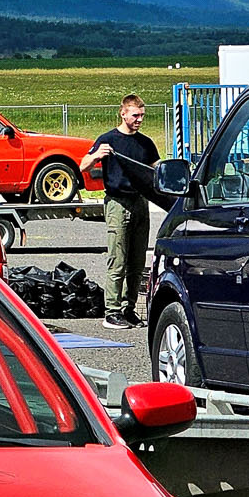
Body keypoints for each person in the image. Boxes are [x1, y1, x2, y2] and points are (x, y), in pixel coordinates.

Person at [85, 95, 163, 329]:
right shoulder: (107, 140)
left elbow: (156, 171)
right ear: (123, 113)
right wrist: (96, 156)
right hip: (117, 203)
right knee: (117, 259)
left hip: (140, 202)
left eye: (142, 116)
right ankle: (112, 311)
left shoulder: (146, 143)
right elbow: (83, 165)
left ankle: (129, 309)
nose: (139, 120)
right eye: (135, 115)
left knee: (137, 261)